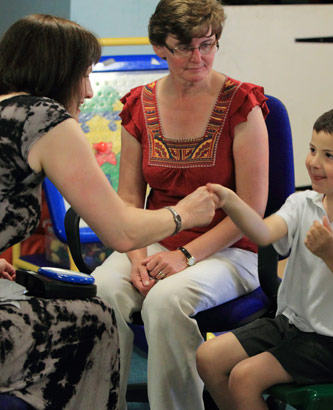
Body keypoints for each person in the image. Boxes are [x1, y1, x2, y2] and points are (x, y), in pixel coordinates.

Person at [0, 14, 217, 410]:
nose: (87, 91)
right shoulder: (46, 119)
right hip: (154, 241)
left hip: (206, 254)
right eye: (84, 74)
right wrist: (183, 213)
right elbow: (121, 229)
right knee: (95, 317)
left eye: (207, 45)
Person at [91, 1, 269, 409]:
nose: (198, 57)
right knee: (103, 290)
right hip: (156, 237)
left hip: (232, 247)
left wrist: (184, 256)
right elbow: (131, 199)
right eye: (184, 47)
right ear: (159, 48)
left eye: (207, 45)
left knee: (166, 301)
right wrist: (135, 256)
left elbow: (253, 209)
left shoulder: (243, 105)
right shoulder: (139, 104)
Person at [196, 104, 333, 410]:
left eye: (329, 156)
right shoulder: (302, 202)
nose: (314, 162)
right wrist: (232, 201)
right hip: (290, 323)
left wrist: (331, 254)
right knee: (208, 357)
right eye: (313, 149)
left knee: (244, 378)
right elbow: (262, 233)